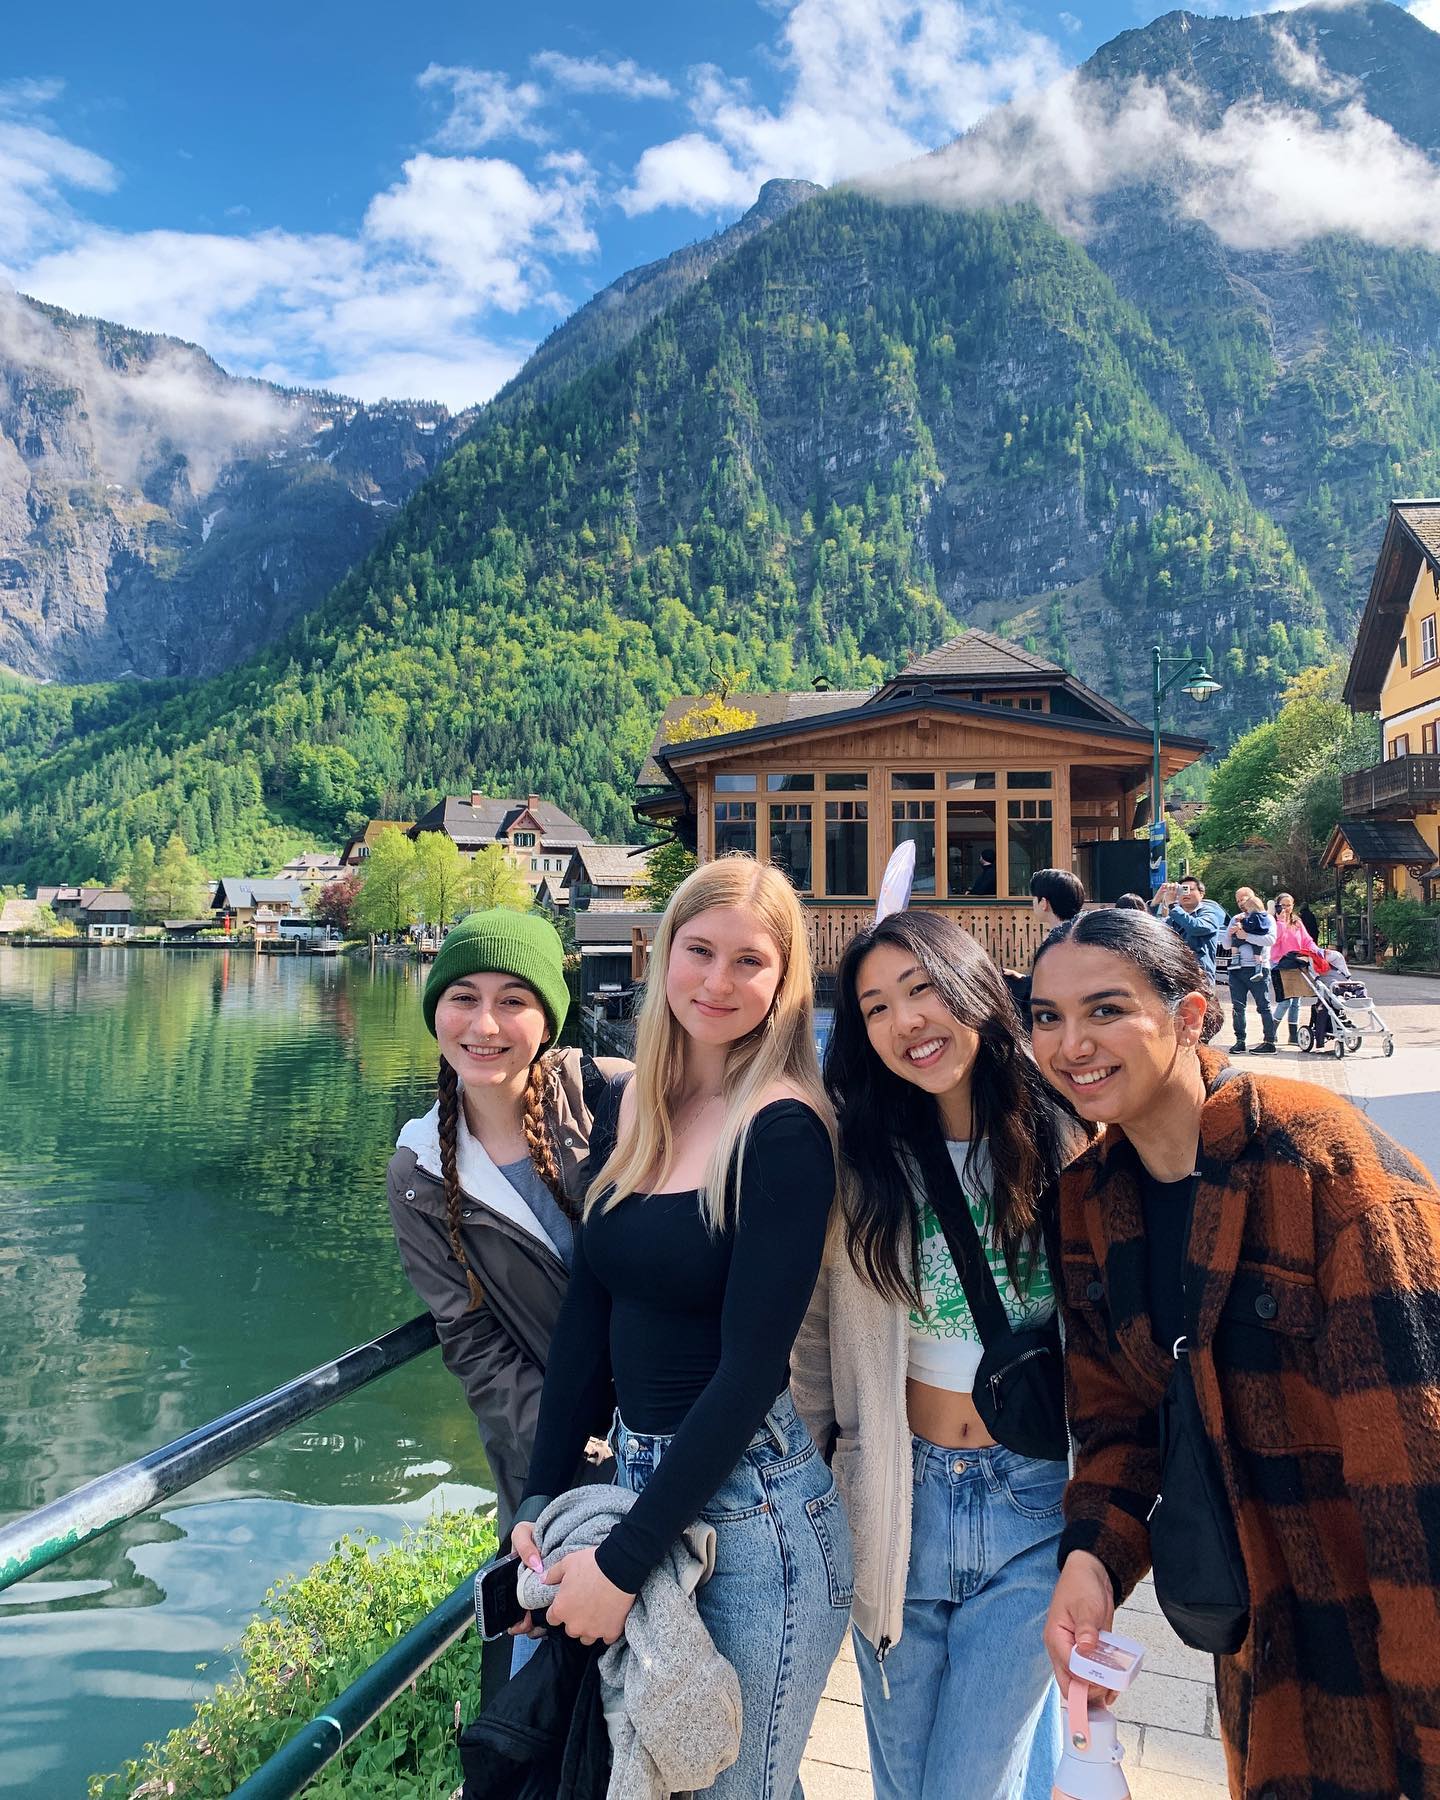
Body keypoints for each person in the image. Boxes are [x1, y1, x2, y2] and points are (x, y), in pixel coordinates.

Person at [1026, 909, 1440, 1799]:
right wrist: (1092, 1560)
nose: (1072, 1044)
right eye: (1047, 1017)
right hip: (1258, 1634)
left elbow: (1420, 1489)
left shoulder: (1324, 1172)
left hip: (1389, 1622)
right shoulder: (1090, 1199)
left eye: (1106, 1009)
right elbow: (1119, 1421)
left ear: (1192, 1016)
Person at [511, 856, 849, 1799]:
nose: (718, 981)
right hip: (642, 1481)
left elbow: (748, 1372)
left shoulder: (782, 1131)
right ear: (661, 957)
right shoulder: (642, 1107)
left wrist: (618, 1567)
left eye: (751, 961)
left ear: (785, 983)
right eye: (700, 951)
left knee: (740, 1788)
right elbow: (590, 1309)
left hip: (753, 1515)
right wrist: (539, 1499)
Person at [792, 910, 1081, 1800]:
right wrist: (811, 1472)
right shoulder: (860, 1154)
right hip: (894, 1496)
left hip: (1031, 1495)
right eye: (875, 1007)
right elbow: (812, 1339)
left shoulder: (1066, 1132)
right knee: (904, 1783)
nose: (904, 1022)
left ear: (974, 989)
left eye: (921, 990)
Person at [388, 909, 630, 1671]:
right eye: (463, 996)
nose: (485, 1023)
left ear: (547, 1017)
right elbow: (477, 1348)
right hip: (555, 1472)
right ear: (436, 1013)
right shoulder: (421, 1173)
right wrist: (576, 1463)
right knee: (552, 1707)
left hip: (685, 1444)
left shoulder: (611, 1100)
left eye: (513, 1000)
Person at [1224, 884, 1277, 1054]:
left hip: (1258, 968)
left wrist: (1247, 936)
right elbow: (1226, 944)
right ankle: (1240, 1040)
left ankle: (1269, 1041)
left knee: (1263, 1005)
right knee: (1238, 1006)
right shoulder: (1236, 918)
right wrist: (1231, 934)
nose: (1241, 903)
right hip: (1237, 969)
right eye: (1238, 900)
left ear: (1252, 898)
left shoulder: (1266, 918)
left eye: (1244, 898)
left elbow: (1270, 940)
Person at [1268, 891, 1325, 1046]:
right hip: (1280, 963)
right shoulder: (1273, 922)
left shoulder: (1297, 922)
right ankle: (1271, 1032)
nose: (1286, 908)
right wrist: (1280, 921)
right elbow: (1274, 940)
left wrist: (1316, 950)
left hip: (1297, 962)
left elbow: (1306, 940)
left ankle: (1293, 1035)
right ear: (1277, 905)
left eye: (1289, 905)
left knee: (1296, 1001)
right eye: (1283, 905)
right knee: (1285, 1000)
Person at [1150, 876, 1221, 982]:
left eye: (1190, 889)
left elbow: (1196, 927)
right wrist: (1156, 900)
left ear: (1201, 894)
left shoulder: (1210, 913)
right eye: (1182, 890)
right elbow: (1150, 928)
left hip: (1199, 975)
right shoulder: (1173, 917)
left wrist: (1172, 905)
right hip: (1175, 973)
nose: (1185, 893)